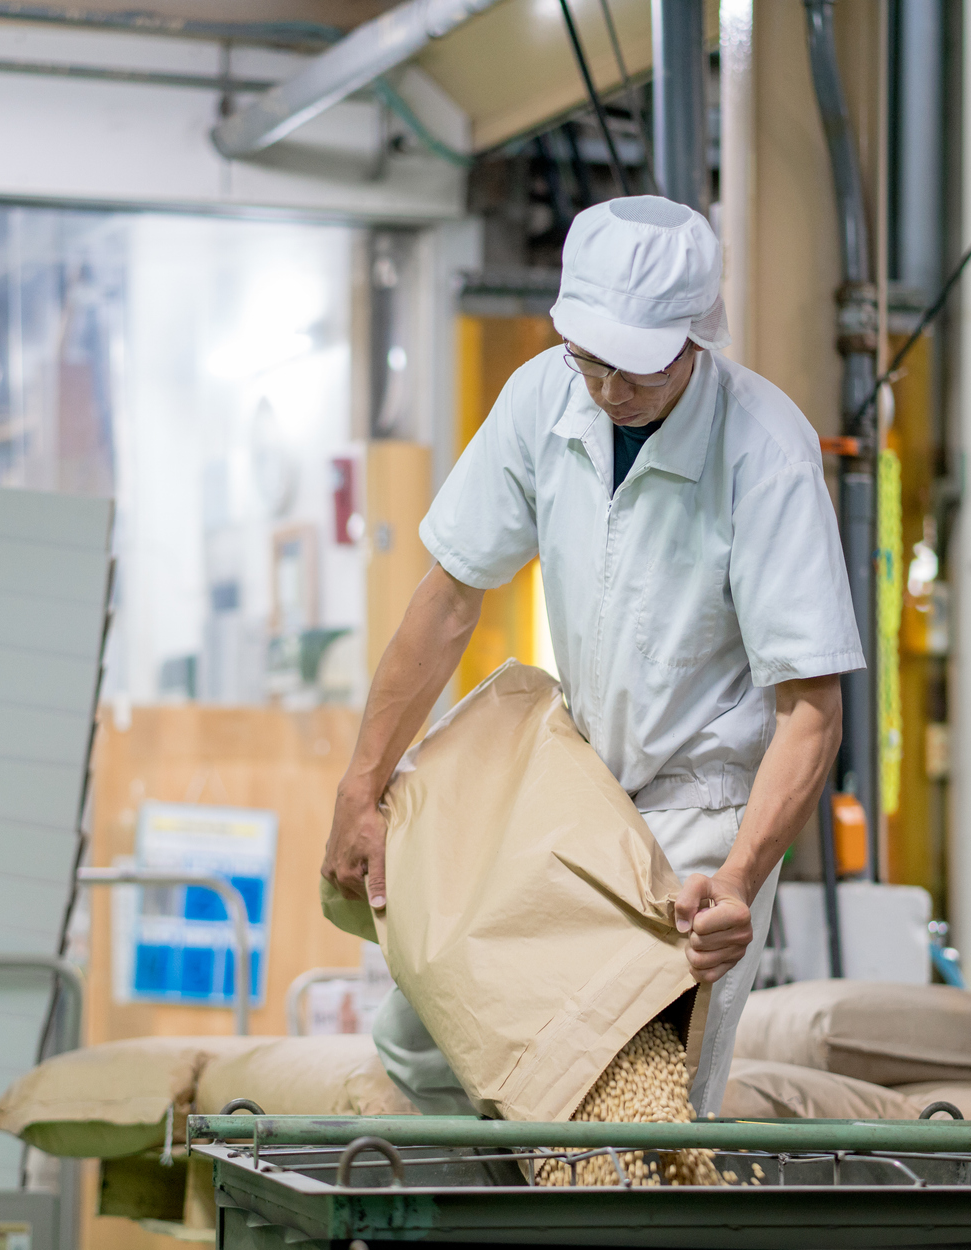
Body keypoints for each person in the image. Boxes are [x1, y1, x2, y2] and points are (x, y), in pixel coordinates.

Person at [322, 194, 862, 1116]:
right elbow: (449, 598)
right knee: (423, 1044)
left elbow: (810, 713)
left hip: (699, 825)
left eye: (638, 371)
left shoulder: (766, 454)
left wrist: (737, 881)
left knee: (635, 1103)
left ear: (697, 339)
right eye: (592, 361)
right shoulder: (543, 395)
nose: (610, 391)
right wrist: (359, 787)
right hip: (573, 795)